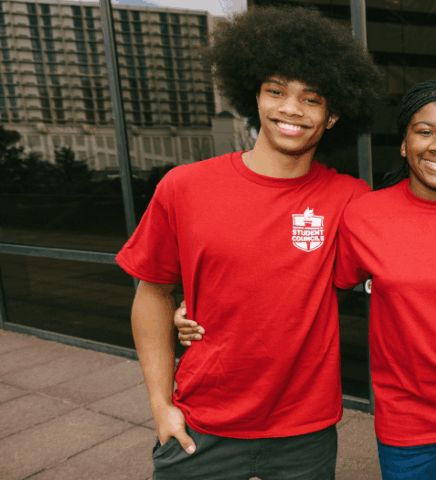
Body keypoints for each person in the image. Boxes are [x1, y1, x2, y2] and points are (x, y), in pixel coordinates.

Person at [177, 80, 436, 480]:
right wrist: (194, 310)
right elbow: (309, 286)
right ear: (404, 145)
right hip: (405, 418)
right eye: (424, 132)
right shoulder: (365, 214)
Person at [115, 6, 382, 479]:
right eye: (276, 91)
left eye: (311, 98)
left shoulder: (351, 200)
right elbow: (152, 291)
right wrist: (160, 406)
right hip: (201, 424)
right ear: (253, 96)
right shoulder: (184, 187)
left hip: (305, 432)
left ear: (334, 114)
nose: (290, 110)